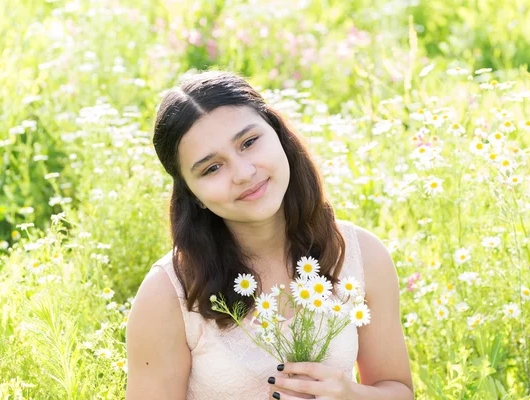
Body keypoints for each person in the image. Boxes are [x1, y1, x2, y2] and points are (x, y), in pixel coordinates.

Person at [125, 70, 414, 399]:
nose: (244, 174)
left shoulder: (361, 254)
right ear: (193, 196)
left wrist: (349, 394)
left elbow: (398, 391)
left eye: (248, 143)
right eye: (211, 168)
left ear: (279, 135)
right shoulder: (167, 296)